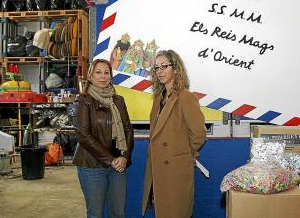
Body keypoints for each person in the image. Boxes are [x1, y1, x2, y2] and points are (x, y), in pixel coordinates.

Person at [141, 50, 207, 218]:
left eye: (165, 66)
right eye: (157, 67)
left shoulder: (186, 97)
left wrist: (182, 154)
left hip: (176, 168)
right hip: (158, 166)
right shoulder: (159, 98)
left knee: (176, 211)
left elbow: (199, 134)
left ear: (176, 69)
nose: (160, 71)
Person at [73, 59, 134, 218]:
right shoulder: (83, 100)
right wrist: (110, 160)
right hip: (92, 165)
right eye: (98, 72)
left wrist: (124, 157)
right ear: (91, 76)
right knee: (96, 213)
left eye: (106, 73)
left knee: (118, 212)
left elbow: (127, 128)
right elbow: (83, 135)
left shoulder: (118, 100)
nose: (102, 76)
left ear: (111, 77)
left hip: (118, 164)